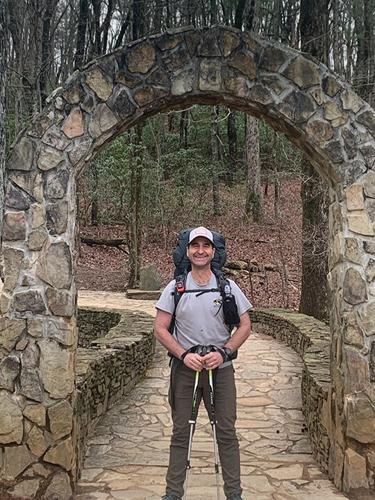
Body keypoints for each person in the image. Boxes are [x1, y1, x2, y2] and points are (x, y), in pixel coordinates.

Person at [154, 226, 252, 500]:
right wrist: (184, 354)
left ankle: (234, 494)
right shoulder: (176, 287)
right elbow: (160, 328)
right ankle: (173, 494)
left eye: (205, 246)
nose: (200, 250)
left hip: (220, 369)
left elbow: (245, 325)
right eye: (195, 245)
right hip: (185, 369)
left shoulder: (228, 287)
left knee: (226, 431)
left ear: (213, 252)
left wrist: (225, 352)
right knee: (181, 431)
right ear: (187, 251)